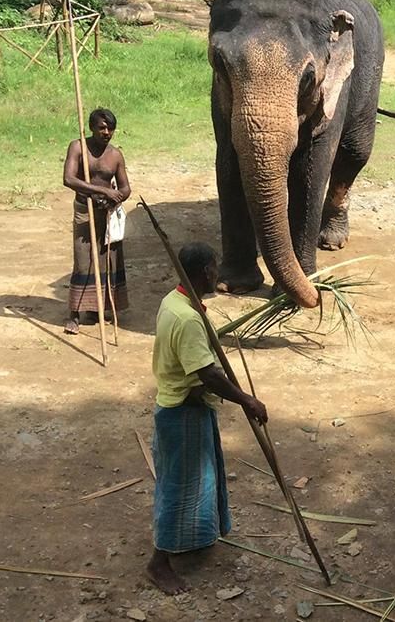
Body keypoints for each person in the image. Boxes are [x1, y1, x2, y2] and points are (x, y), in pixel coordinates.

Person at [146, 242, 269, 595]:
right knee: (180, 486)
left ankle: (195, 537)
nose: (218, 273)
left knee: (200, 480)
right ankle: (158, 564)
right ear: (203, 273)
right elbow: (208, 374)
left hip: (187, 405)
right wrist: (247, 400)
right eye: (215, 267)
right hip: (182, 411)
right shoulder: (185, 318)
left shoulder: (175, 301)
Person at [63, 107, 130, 335]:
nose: (106, 132)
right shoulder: (78, 147)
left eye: (110, 128)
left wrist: (114, 198)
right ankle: (74, 314)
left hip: (107, 212)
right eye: (102, 128)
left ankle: (96, 308)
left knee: (107, 259)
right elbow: (68, 179)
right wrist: (98, 192)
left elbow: (125, 187)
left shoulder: (115, 155)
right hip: (84, 209)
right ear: (91, 127)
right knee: (83, 259)